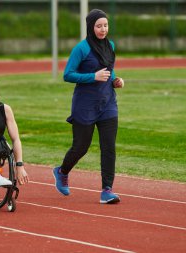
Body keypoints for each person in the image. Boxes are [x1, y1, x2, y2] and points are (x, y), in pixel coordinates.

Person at [53, 9, 124, 204]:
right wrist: (93, 77)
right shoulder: (81, 48)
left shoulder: (110, 45)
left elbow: (109, 70)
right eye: (99, 26)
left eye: (106, 25)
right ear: (91, 27)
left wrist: (115, 80)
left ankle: (107, 190)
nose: (103, 29)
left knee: (109, 147)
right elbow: (68, 74)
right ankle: (62, 171)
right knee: (81, 147)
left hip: (108, 103)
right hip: (85, 105)